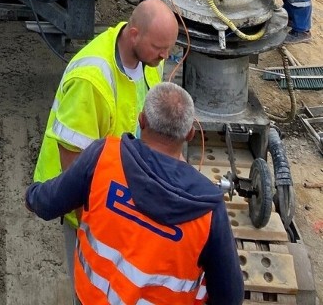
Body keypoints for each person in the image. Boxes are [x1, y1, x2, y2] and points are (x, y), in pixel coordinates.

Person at [25, 82, 244, 305]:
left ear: (142, 120)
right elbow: (230, 296)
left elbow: (48, 202)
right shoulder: (208, 208)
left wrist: (32, 196)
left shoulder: (104, 157)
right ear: (190, 134)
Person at [32, 0, 179, 289]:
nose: (164, 56)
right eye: (159, 48)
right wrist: (91, 223)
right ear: (134, 34)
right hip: (90, 206)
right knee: (91, 287)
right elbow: (72, 161)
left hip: (121, 197)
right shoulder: (91, 79)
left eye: (169, 49)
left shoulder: (149, 60)